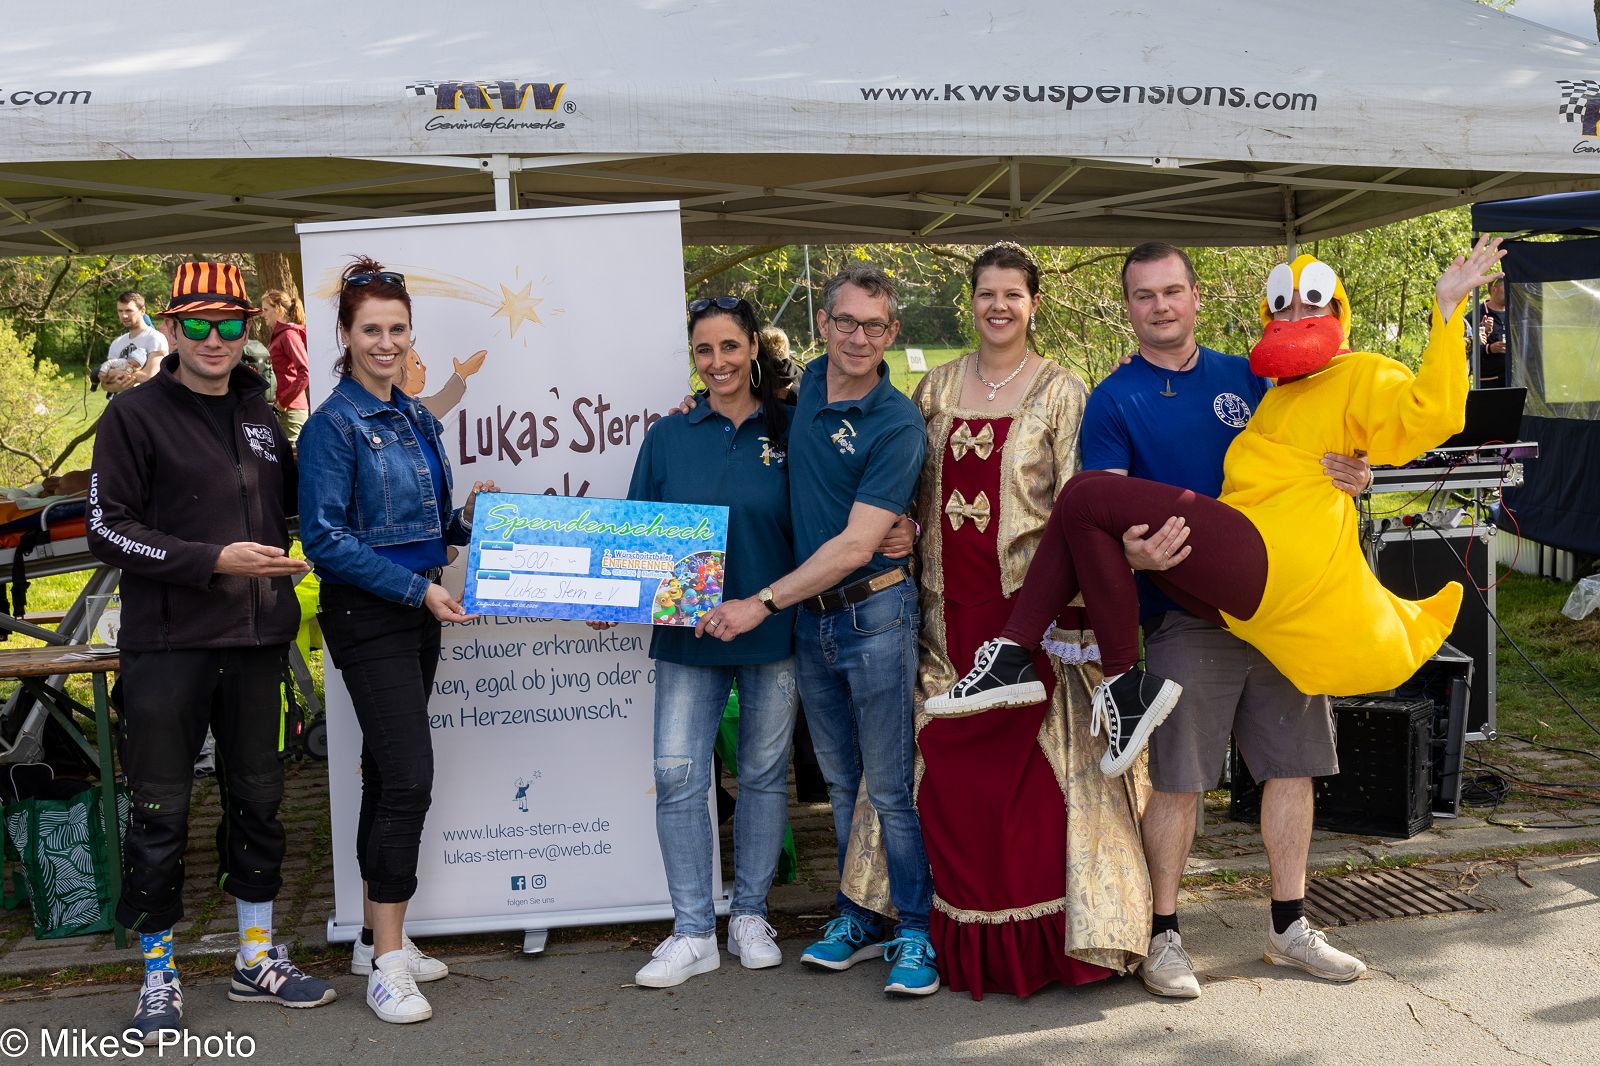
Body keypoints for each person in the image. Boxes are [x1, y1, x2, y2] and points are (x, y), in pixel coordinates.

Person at [931, 239, 1504, 768]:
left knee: (1081, 496)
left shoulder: (1281, 374)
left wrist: (1445, 314)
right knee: (1087, 507)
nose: (1161, 306)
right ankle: (1090, 676)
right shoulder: (1162, 392)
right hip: (1200, 591)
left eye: (1172, 291)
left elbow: (1421, 414)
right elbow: (1310, 434)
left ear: (1196, 296)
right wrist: (1132, 553)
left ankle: (1050, 663)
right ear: (1128, 307)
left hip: (1271, 562)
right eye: (1145, 296)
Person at [839, 242, 1151, 999]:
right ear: (971, 301)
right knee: (942, 776)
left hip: (1029, 624)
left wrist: (1077, 621)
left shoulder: (1063, 390)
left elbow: (1080, 513)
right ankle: (920, 928)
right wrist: (903, 527)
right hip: (944, 619)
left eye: (1013, 294)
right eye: (987, 293)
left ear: (1033, 304)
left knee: (1031, 788)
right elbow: (906, 484)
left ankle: (1047, 946)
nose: (999, 306)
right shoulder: (934, 388)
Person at [87, 261, 333, 1044]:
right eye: (197, 323)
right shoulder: (132, 416)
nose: (214, 338)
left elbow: (302, 504)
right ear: (171, 326)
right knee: (160, 810)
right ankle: (158, 974)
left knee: (259, 801)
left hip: (256, 642)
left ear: (247, 328)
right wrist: (212, 560)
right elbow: (107, 528)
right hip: (168, 647)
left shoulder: (260, 413)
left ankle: (255, 956)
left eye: (230, 323)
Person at [696, 265, 937, 996]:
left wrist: (762, 602)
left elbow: (857, 545)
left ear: (892, 333)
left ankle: (916, 929)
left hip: (875, 613)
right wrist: (699, 401)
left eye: (874, 325)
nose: (858, 337)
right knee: (839, 782)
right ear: (823, 325)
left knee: (889, 786)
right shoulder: (800, 394)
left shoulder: (896, 422)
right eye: (846, 322)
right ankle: (859, 914)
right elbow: (749, 421)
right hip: (813, 623)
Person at [298, 258, 494, 1024]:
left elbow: (430, 526)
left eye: (398, 329)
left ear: (412, 334)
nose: (386, 343)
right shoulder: (332, 425)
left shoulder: (413, 415)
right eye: (371, 330)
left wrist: (476, 523)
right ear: (345, 336)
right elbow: (324, 540)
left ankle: (376, 940)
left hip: (417, 610)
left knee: (386, 775)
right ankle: (385, 966)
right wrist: (420, 591)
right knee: (410, 779)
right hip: (369, 614)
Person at [592, 295, 800, 989]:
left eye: (730, 347)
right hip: (688, 638)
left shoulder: (791, 428)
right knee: (679, 779)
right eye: (704, 350)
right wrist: (609, 596)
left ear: (754, 348)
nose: (718, 362)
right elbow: (636, 532)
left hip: (771, 630)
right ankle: (691, 931)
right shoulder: (668, 435)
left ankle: (750, 916)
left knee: (764, 776)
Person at [260, 289, 311, 443]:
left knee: (294, 457)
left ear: (278, 309)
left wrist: (283, 403)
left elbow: (305, 372)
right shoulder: (280, 335)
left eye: (266, 310)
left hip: (291, 411)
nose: (263, 314)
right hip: (284, 410)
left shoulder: (289, 335)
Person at [95, 290, 169, 393]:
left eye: (128, 311)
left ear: (142, 310)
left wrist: (117, 373)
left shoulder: (155, 338)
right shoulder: (117, 343)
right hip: (120, 402)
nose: (124, 316)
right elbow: (105, 384)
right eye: (120, 311)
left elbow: (151, 375)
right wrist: (120, 384)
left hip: (147, 402)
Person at [1468, 277, 1509, 387]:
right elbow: (1466, 351)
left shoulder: (1514, 313)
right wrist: (1489, 349)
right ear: (1494, 290)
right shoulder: (1476, 315)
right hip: (1489, 382)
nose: (1509, 291)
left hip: (1513, 379)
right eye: (1506, 288)